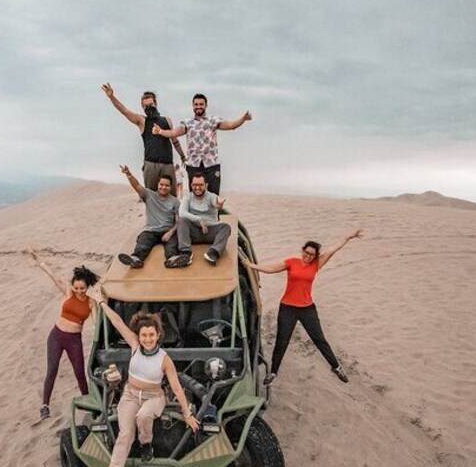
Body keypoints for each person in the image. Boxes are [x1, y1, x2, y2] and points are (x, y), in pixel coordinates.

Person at [91, 293, 200, 467]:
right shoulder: (134, 347)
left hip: (154, 397)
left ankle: (146, 444)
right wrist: (102, 302)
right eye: (144, 335)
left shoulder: (164, 359)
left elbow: (177, 387)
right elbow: (117, 322)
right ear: (138, 336)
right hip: (130, 394)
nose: (147, 339)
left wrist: (188, 414)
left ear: (158, 335)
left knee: (144, 416)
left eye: (151, 335)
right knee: (124, 435)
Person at [244, 230, 364, 385]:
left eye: (311, 255)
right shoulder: (291, 262)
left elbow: (333, 250)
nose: (308, 256)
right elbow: (272, 268)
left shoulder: (316, 265)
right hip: (287, 308)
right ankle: (273, 372)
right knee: (282, 341)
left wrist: (348, 237)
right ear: (302, 250)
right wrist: (251, 266)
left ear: (315, 256)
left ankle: (337, 367)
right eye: (306, 253)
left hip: (307, 308)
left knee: (319, 339)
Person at [27, 248, 100, 420]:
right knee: (52, 369)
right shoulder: (69, 293)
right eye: (76, 288)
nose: (79, 291)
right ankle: (45, 405)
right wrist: (38, 260)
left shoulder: (91, 303)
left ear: (87, 287)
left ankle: (90, 403)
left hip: (74, 340)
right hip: (56, 336)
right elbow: (53, 276)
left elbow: (96, 323)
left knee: (80, 373)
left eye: (82, 288)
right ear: (73, 286)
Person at [151, 93, 251, 195]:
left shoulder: (213, 120)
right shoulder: (187, 123)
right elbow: (173, 133)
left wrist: (243, 119)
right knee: (194, 197)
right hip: (194, 165)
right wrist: (160, 131)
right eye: (196, 104)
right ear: (193, 106)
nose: (199, 106)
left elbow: (231, 125)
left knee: (213, 197)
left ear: (206, 105)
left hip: (211, 164)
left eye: (201, 104)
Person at [101, 84, 186, 194]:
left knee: (172, 197)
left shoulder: (167, 120)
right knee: (151, 197)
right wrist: (111, 97)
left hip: (167, 164)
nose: (149, 108)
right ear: (142, 107)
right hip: (151, 165)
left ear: (156, 103)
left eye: (151, 104)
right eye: (146, 106)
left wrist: (183, 156)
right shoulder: (142, 121)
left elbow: (175, 141)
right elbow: (125, 111)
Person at [116, 165, 181, 269]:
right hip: (151, 230)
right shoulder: (149, 195)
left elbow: (179, 221)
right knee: (143, 241)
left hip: (167, 230)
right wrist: (128, 174)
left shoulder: (175, 202)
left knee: (172, 244)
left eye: (166, 185)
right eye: (161, 184)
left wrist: (170, 233)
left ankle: (172, 259)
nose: (163, 187)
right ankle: (136, 259)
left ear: (170, 187)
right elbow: (137, 186)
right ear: (158, 184)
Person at [169, 174, 231, 268]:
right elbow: (182, 212)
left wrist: (219, 204)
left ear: (206, 185)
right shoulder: (188, 197)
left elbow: (216, 202)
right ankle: (186, 253)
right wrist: (199, 219)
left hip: (210, 232)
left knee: (226, 227)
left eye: (201, 185)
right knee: (182, 221)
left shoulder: (211, 196)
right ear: (191, 185)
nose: (197, 188)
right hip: (194, 233)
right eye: (195, 185)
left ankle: (213, 252)